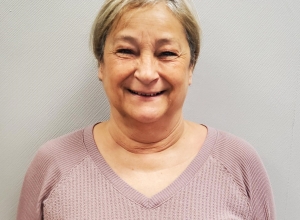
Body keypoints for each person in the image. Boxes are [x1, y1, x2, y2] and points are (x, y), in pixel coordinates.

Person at [17, 0, 275, 219]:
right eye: (126, 51)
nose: (147, 73)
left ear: (191, 67)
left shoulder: (239, 164)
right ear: (101, 64)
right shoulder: (53, 165)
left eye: (166, 53)